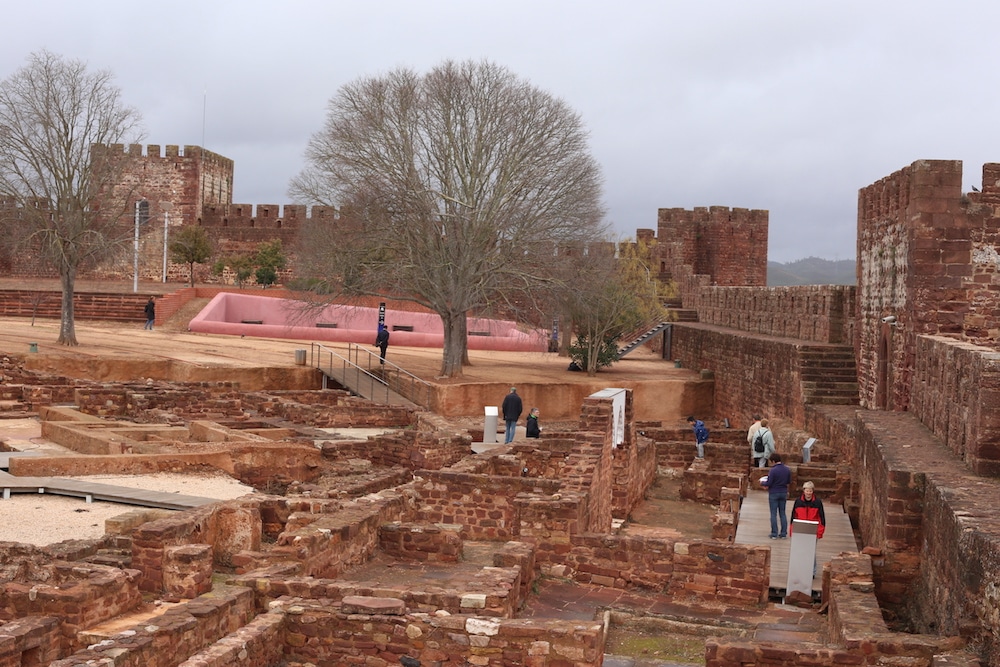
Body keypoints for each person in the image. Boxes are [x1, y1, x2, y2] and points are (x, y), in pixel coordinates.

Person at [791, 481, 826, 576]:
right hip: (800, 529)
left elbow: (822, 518)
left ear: (812, 491)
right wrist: (792, 531)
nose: (808, 493)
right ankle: (800, 569)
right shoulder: (798, 502)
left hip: (813, 530)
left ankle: (812, 572)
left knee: (811, 552)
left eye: (810, 491)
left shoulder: (818, 502)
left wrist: (820, 532)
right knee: (800, 551)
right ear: (804, 491)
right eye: (807, 491)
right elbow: (793, 517)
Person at [760, 452, 792, 539]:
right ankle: (783, 533)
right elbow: (789, 481)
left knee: (773, 513)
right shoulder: (787, 469)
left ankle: (774, 533)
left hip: (774, 492)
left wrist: (763, 483)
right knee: (782, 513)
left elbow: (769, 482)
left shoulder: (773, 470)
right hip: (783, 492)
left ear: (773, 461)